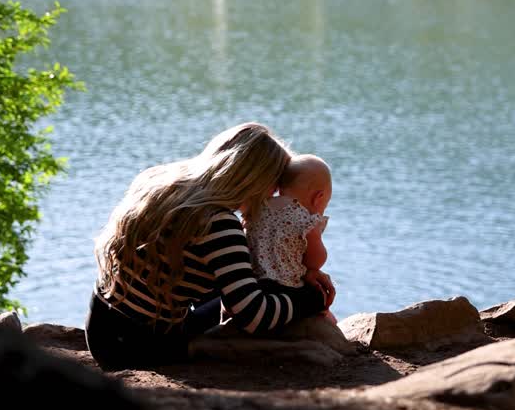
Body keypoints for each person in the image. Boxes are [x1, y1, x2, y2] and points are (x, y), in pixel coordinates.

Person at [85, 122, 335, 371]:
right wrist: (312, 297)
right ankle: (200, 347)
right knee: (267, 306)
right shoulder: (219, 223)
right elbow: (255, 317)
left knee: (251, 291)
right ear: (256, 180)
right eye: (275, 187)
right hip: (137, 346)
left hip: (102, 326)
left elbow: (230, 277)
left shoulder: (164, 184)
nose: (274, 198)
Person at [242, 154, 337, 324]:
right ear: (319, 198)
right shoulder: (306, 220)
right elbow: (316, 261)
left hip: (253, 286)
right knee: (318, 294)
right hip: (285, 289)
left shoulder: (258, 209)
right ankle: (322, 316)